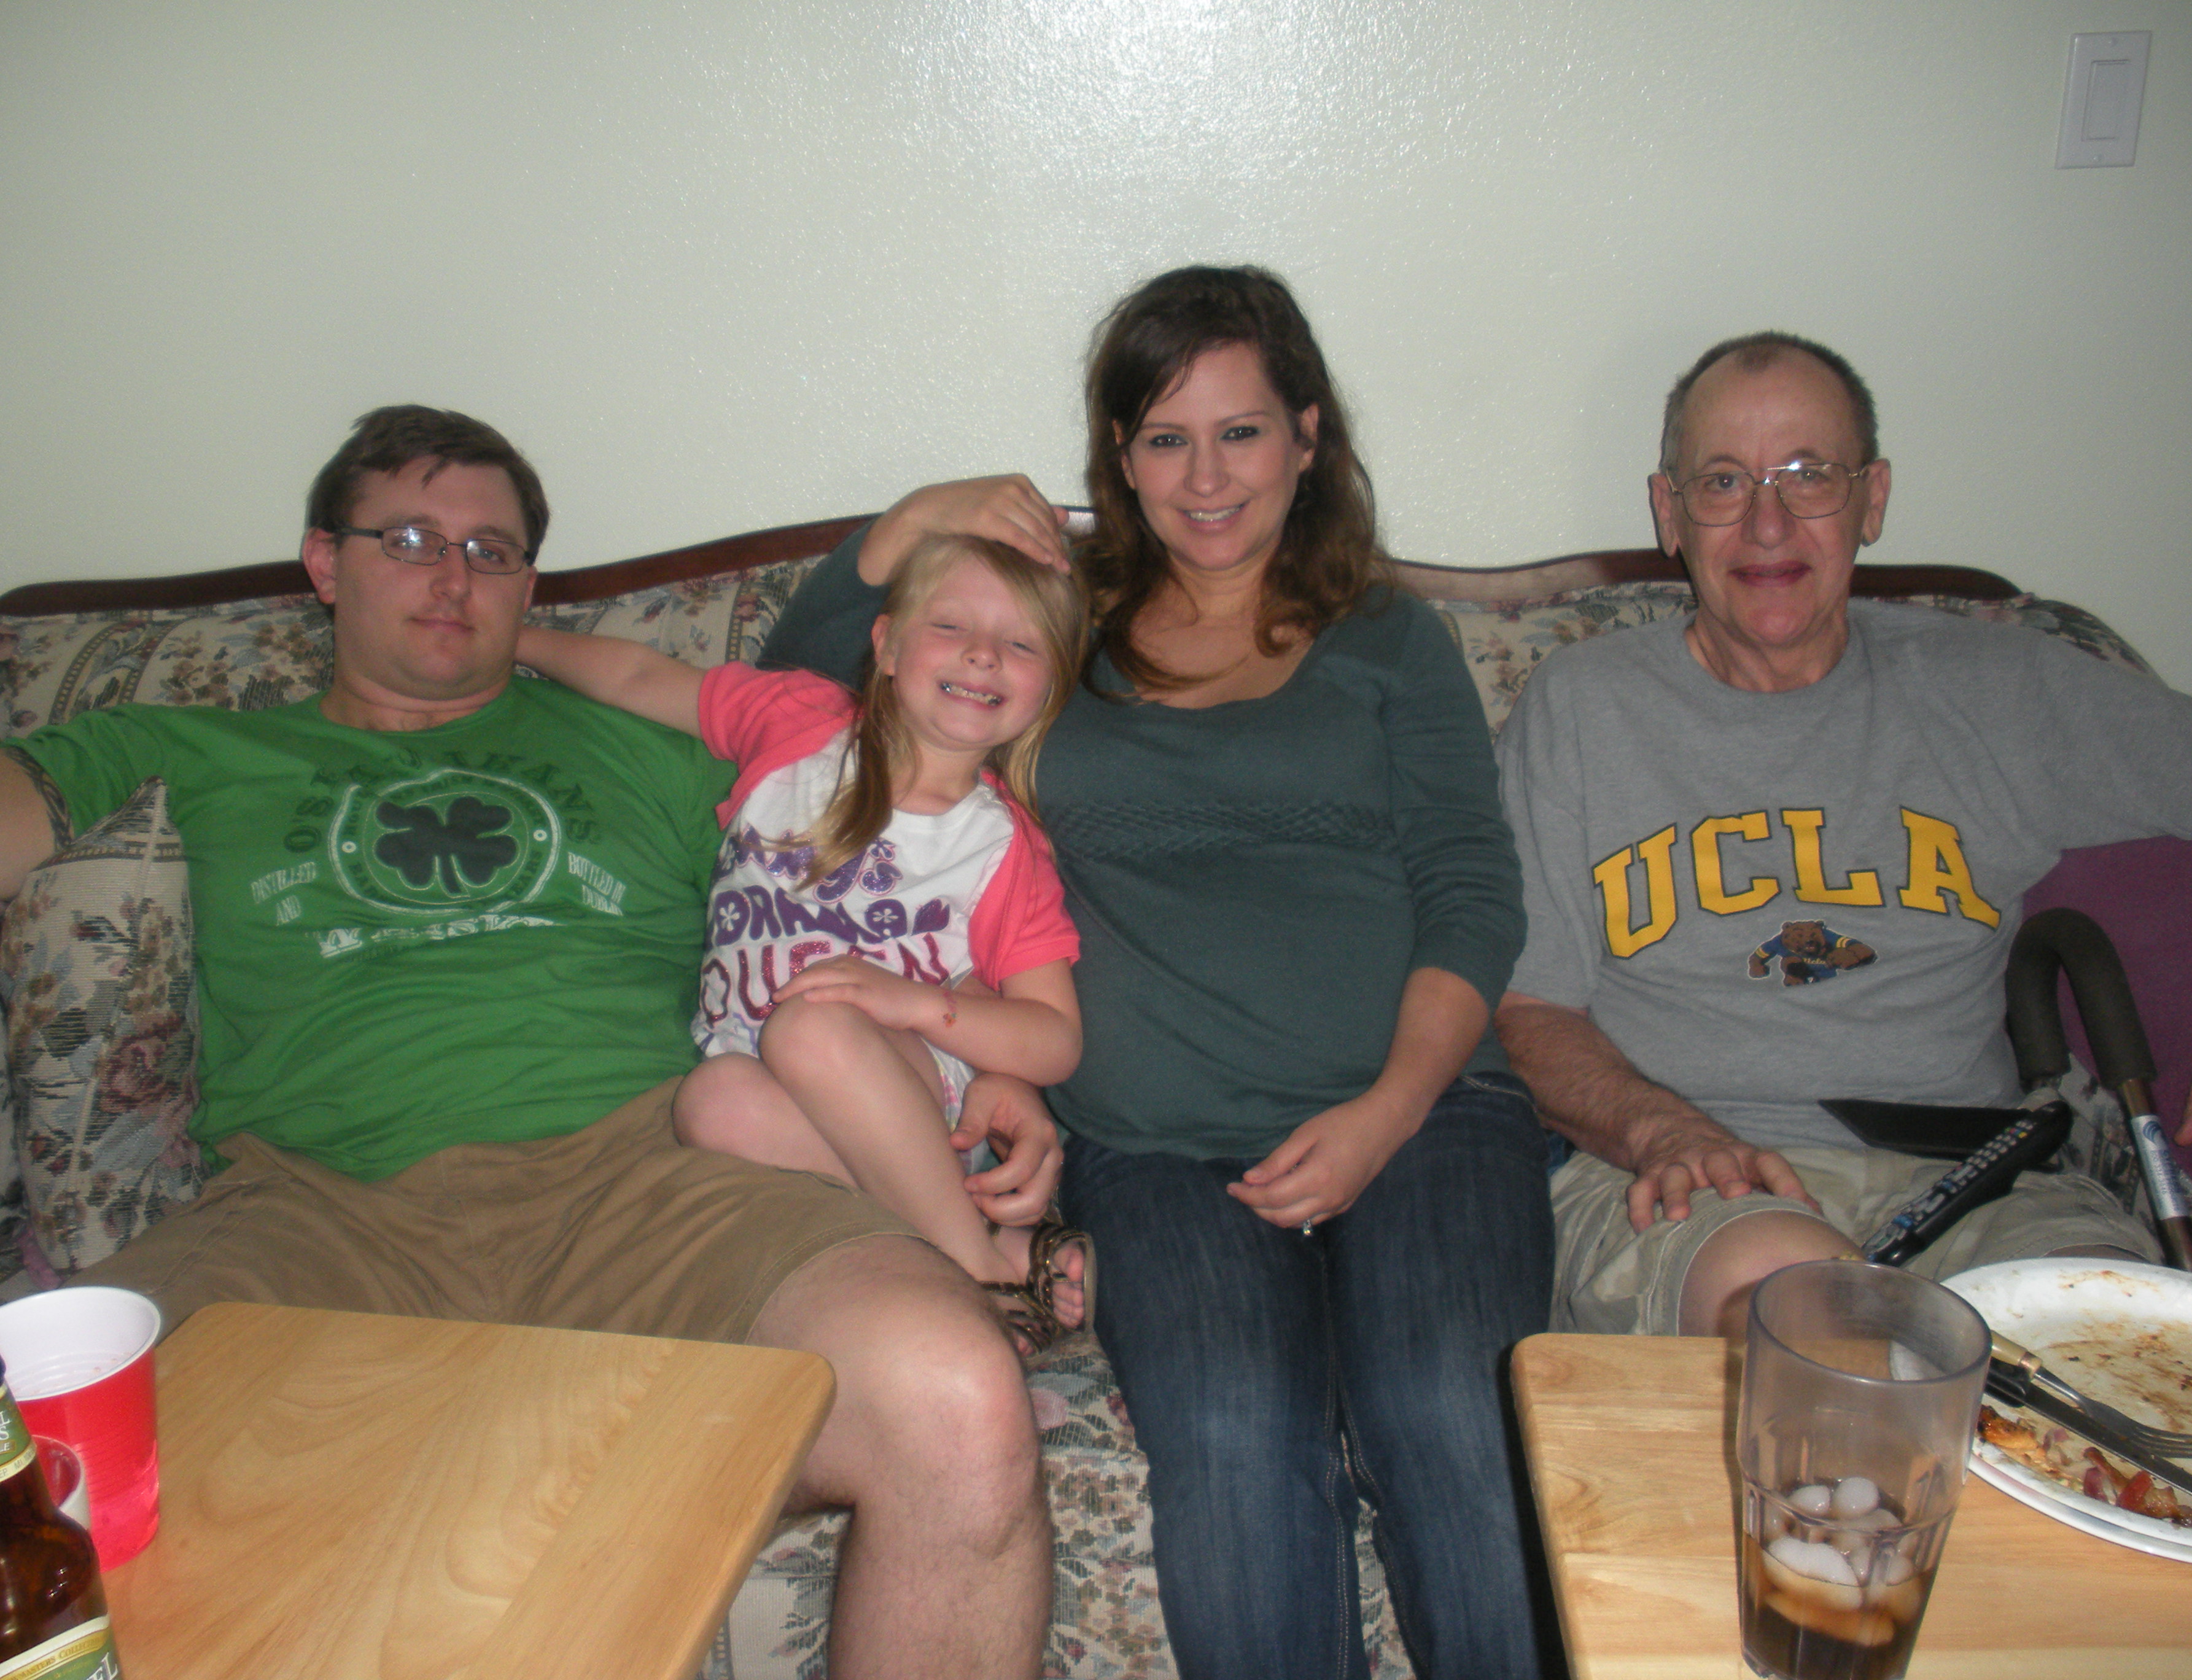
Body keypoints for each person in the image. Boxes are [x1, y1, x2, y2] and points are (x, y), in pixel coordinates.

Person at [0, 406, 1066, 1679]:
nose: (453, 578)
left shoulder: (655, 746)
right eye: (409, 539)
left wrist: (1001, 1072)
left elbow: (888, 870)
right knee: (38, 1476)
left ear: (527, 585)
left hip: (661, 1185)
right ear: (326, 563)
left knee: (955, 1399)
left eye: (491, 551)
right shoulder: (200, 740)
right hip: (319, 1212)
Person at [760, 266, 1555, 1679]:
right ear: (1118, 459)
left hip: (1422, 1114)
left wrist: (1385, 1113)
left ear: (1307, 437)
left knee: (1445, 1409)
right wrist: (914, 521)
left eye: (1241, 433)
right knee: (1235, 1432)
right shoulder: (1060, 632)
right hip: (1156, 1149)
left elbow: (1471, 894)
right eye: (1165, 439)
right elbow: (813, 695)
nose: (1206, 478)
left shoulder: (1388, 640)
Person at [1493, 332, 2192, 1340]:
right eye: (1723, 481)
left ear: (1872, 498)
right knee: (1798, 1311)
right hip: (1699, 1192)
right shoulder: (1585, 706)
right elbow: (1527, 1008)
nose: (1767, 523)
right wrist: (1661, 1130)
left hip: (1982, 1183)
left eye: (1810, 475)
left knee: (2113, 1340)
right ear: (1670, 512)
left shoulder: (2004, 686)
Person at [514, 532, 1096, 1350]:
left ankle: (980, 1276)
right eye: (951, 625)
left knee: (812, 1028)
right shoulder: (798, 724)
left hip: (917, 1101)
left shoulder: (1003, 847)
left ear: (1049, 687)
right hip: (781, 1103)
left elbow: (1055, 1038)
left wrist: (914, 1004)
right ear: (887, 645)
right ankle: (972, 1235)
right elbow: (641, 678)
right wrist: (511, 638)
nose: (983, 655)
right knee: (709, 1101)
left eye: (1022, 644)